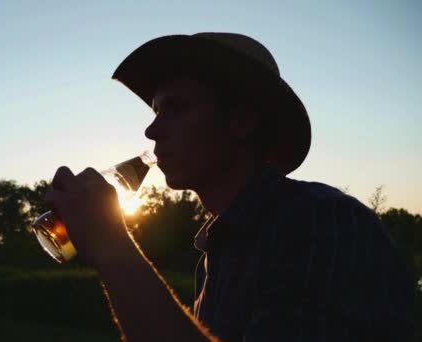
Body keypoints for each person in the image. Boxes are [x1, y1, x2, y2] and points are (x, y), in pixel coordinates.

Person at [45, 33, 414, 341]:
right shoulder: (217, 253)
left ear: (240, 122)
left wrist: (113, 248)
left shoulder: (323, 221)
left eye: (175, 109)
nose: (151, 131)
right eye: (156, 113)